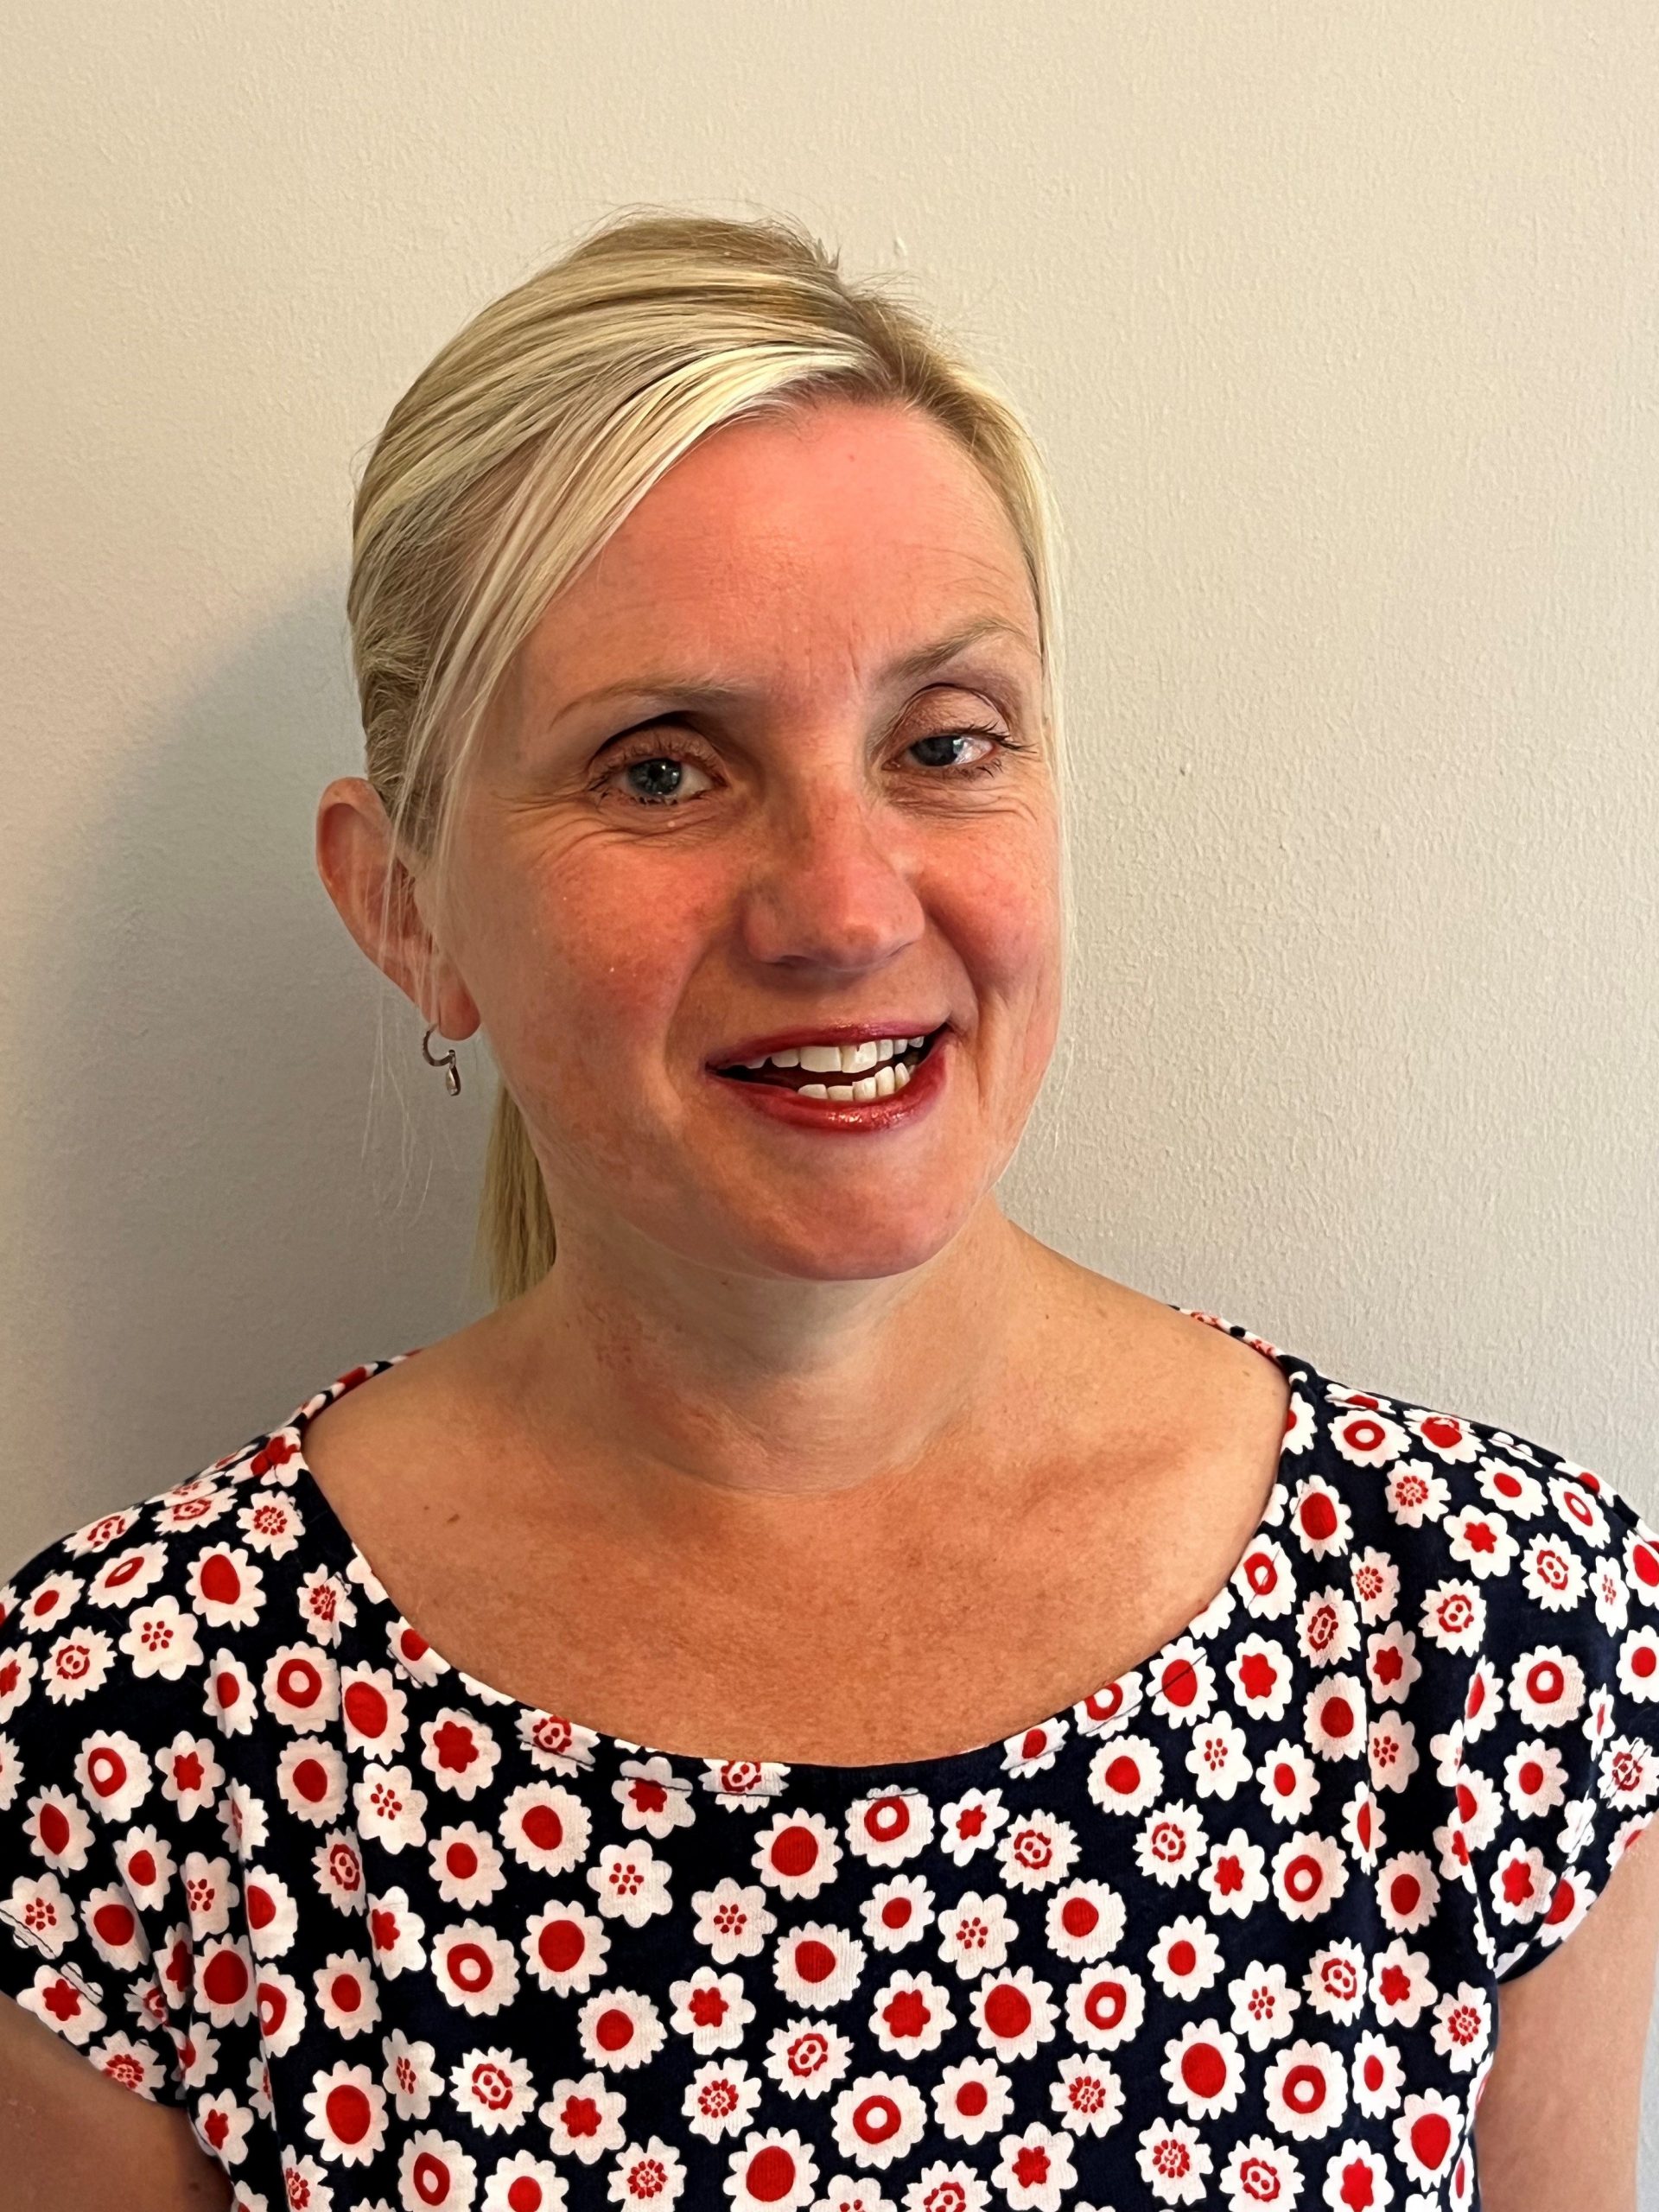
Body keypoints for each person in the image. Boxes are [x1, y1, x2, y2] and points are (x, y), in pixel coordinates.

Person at [3, 207, 1656, 2212]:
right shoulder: (120, 1737)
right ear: (406, 905)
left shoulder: (1490, 1630)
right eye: (665, 769)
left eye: (943, 743)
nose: (852, 906)